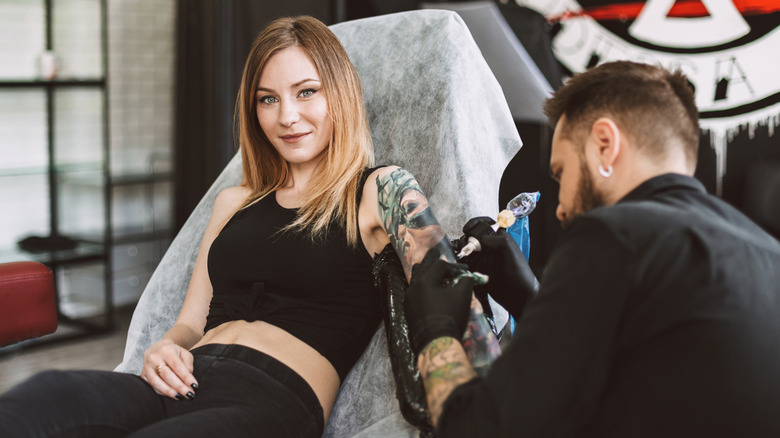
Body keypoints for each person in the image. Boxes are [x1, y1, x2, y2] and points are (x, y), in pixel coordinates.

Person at [0, 16, 487, 438]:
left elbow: (442, 282)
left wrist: (478, 403)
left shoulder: (376, 192)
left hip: (271, 399)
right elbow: (191, 321)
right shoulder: (233, 202)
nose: (287, 116)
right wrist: (165, 348)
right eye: (268, 99)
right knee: (46, 397)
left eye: (306, 92)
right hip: (183, 378)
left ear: (340, 95)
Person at [404, 61, 780, 437]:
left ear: (604, 144)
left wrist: (433, 328)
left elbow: (483, 431)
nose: (560, 206)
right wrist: (531, 300)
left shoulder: (615, 235)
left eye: (561, 172)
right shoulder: (765, 253)